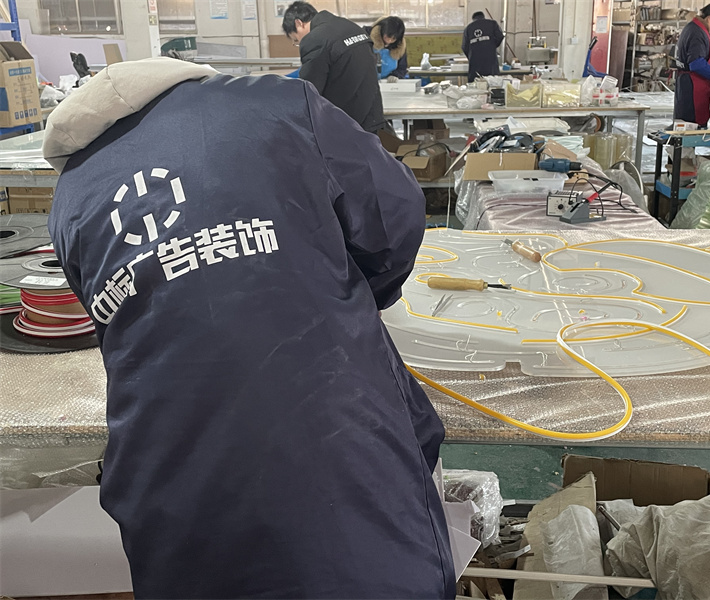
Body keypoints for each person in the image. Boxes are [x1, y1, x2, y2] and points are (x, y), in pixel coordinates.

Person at [42, 57, 456, 599]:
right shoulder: (276, 104)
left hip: (169, 486)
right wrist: (348, 295)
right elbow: (392, 215)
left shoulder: (69, 197)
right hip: (340, 457)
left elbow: (121, 326)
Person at [282, 1, 385, 133]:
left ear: (299, 23)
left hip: (344, 123)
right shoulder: (350, 26)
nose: (299, 43)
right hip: (370, 116)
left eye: (296, 39)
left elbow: (310, 89)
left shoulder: (315, 38)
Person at [674, 3, 710, 127]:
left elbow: (700, 51)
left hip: (686, 82)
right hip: (692, 85)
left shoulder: (693, 27)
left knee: (684, 123)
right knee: (691, 125)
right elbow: (696, 63)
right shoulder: (697, 32)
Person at [462, 11, 504, 83]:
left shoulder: (468, 28)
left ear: (473, 19)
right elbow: (500, 36)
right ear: (483, 17)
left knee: (476, 85)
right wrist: (492, 46)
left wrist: (471, 56)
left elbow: (464, 47)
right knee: (493, 83)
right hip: (491, 62)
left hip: (475, 63)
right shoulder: (492, 24)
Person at [366, 16, 408, 82]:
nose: (389, 41)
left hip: (388, 83)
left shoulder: (400, 46)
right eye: (387, 37)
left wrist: (395, 75)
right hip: (367, 81)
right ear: (382, 31)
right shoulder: (366, 38)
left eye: (393, 39)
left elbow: (402, 68)